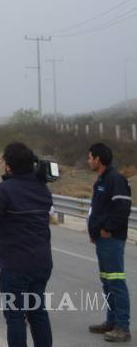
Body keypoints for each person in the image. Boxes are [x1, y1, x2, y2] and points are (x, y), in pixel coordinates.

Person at [0, 142, 54, 347]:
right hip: (42, 263)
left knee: (15, 316)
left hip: (15, 266)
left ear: (8, 166)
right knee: (37, 312)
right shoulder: (42, 189)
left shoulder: (4, 190)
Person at [87, 142, 132, 343]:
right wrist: (94, 231)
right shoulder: (102, 180)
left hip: (112, 239)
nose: (88, 161)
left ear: (98, 159)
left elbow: (122, 208)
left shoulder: (115, 179)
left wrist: (107, 229)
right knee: (107, 282)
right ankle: (111, 321)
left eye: (90, 157)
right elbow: (99, 210)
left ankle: (122, 327)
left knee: (116, 282)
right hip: (102, 239)